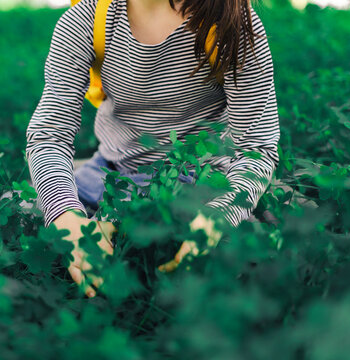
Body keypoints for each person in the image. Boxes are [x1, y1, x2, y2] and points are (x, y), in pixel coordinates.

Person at [25, 0, 280, 298]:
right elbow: (49, 136)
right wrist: (68, 220)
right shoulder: (87, 20)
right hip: (111, 172)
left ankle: (116, 222)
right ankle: (109, 218)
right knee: (19, 213)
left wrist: (220, 215)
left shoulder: (230, 23)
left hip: (202, 182)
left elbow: (258, 147)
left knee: (248, 252)